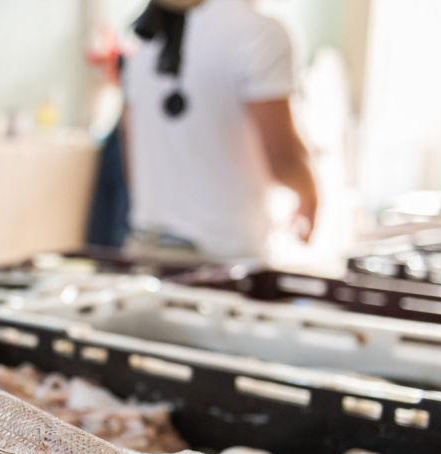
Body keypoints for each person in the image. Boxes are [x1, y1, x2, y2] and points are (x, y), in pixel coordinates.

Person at [121, 0, 317, 262]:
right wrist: (311, 194)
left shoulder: (146, 37)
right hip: (219, 263)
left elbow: (131, 153)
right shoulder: (259, 34)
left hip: (145, 248)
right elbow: (284, 158)